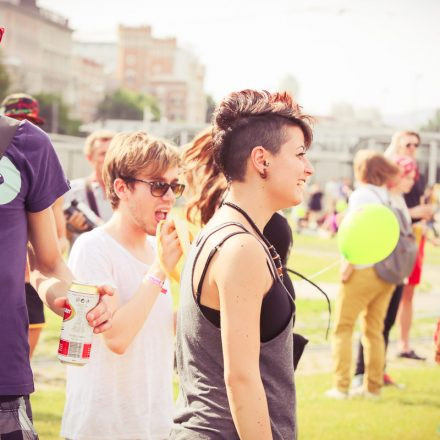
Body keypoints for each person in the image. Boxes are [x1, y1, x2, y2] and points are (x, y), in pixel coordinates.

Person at [171, 89, 314, 440]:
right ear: (261, 160)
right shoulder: (240, 247)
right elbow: (241, 379)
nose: (308, 169)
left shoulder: (228, 232)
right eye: (299, 155)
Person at [61, 131, 184, 440]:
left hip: (153, 423)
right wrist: (159, 269)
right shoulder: (93, 248)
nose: (169, 196)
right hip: (103, 427)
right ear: (122, 188)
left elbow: (154, 324)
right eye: (158, 185)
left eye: (174, 185)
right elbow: (116, 337)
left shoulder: (157, 247)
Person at [326, 150, 399, 399]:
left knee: (343, 327)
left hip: (362, 269)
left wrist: (347, 262)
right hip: (386, 273)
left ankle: (341, 386)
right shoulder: (386, 196)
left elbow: (356, 232)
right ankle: (373, 387)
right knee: (374, 330)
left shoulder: (361, 195)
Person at [0, 92, 68, 358]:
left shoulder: (32, 146)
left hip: (21, 293)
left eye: (28, 120)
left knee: (30, 342)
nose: (21, 123)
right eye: (15, 117)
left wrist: (74, 298)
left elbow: (51, 256)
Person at [353, 155, 418, 387]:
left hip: (396, 270)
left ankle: (376, 374)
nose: (409, 181)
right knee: (372, 325)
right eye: (405, 176)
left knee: (381, 324)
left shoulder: (393, 199)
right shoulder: (382, 198)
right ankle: (364, 373)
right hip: (384, 268)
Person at [385, 131, 435, 360]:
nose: (413, 147)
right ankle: (382, 344)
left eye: (416, 144)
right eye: (408, 143)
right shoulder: (389, 170)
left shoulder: (419, 175)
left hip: (415, 236)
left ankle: (403, 345)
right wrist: (413, 213)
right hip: (395, 237)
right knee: (391, 291)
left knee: (409, 292)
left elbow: (421, 202)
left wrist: (425, 222)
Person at [64, 129, 115, 237]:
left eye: (112, 153)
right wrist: (71, 227)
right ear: (90, 158)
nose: (109, 158)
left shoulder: (127, 192)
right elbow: (59, 237)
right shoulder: (72, 191)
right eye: (103, 154)